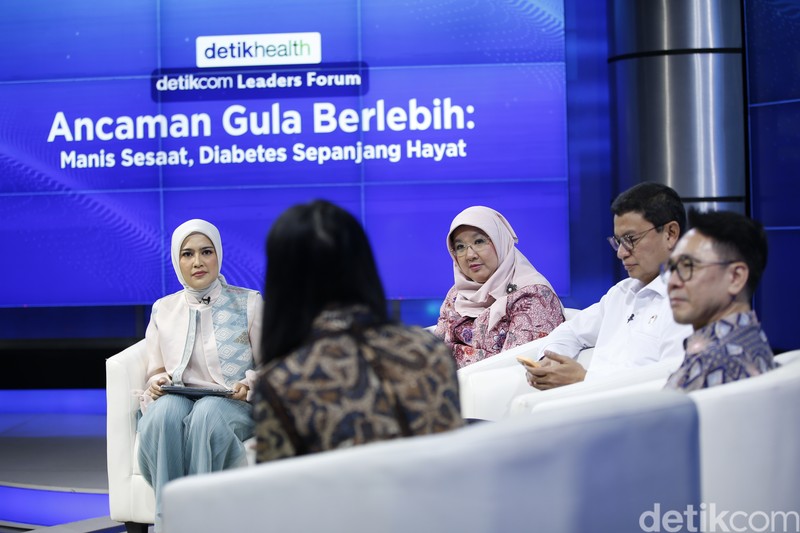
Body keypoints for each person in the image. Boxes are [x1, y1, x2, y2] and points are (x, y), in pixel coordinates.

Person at [253, 200, 463, 463]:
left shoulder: (282, 381)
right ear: (364, 265)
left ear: (281, 280)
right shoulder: (428, 350)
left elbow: (277, 486)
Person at [136, 219, 262, 532]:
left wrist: (249, 384)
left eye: (206, 252)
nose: (198, 262)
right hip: (180, 396)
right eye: (187, 254)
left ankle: (204, 521)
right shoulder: (164, 309)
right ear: (176, 261)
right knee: (164, 414)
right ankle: (169, 520)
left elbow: (271, 364)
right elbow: (156, 370)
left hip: (233, 403)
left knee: (207, 414)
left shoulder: (249, 302)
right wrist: (158, 382)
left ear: (218, 254)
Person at [524, 182, 693, 389]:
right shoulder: (622, 293)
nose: (621, 253)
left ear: (670, 234)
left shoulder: (691, 300)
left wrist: (585, 379)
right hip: (586, 402)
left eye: (631, 239)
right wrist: (550, 361)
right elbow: (570, 332)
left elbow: (673, 382)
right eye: (618, 241)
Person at [434, 206, 564, 368]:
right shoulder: (457, 293)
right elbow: (434, 349)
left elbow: (515, 366)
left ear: (500, 241)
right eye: (460, 247)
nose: (470, 255)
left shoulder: (533, 296)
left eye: (479, 242)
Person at [664, 210, 776, 391]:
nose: (672, 282)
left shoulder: (719, 363)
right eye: (672, 268)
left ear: (735, 278)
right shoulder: (748, 343)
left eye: (688, 266)